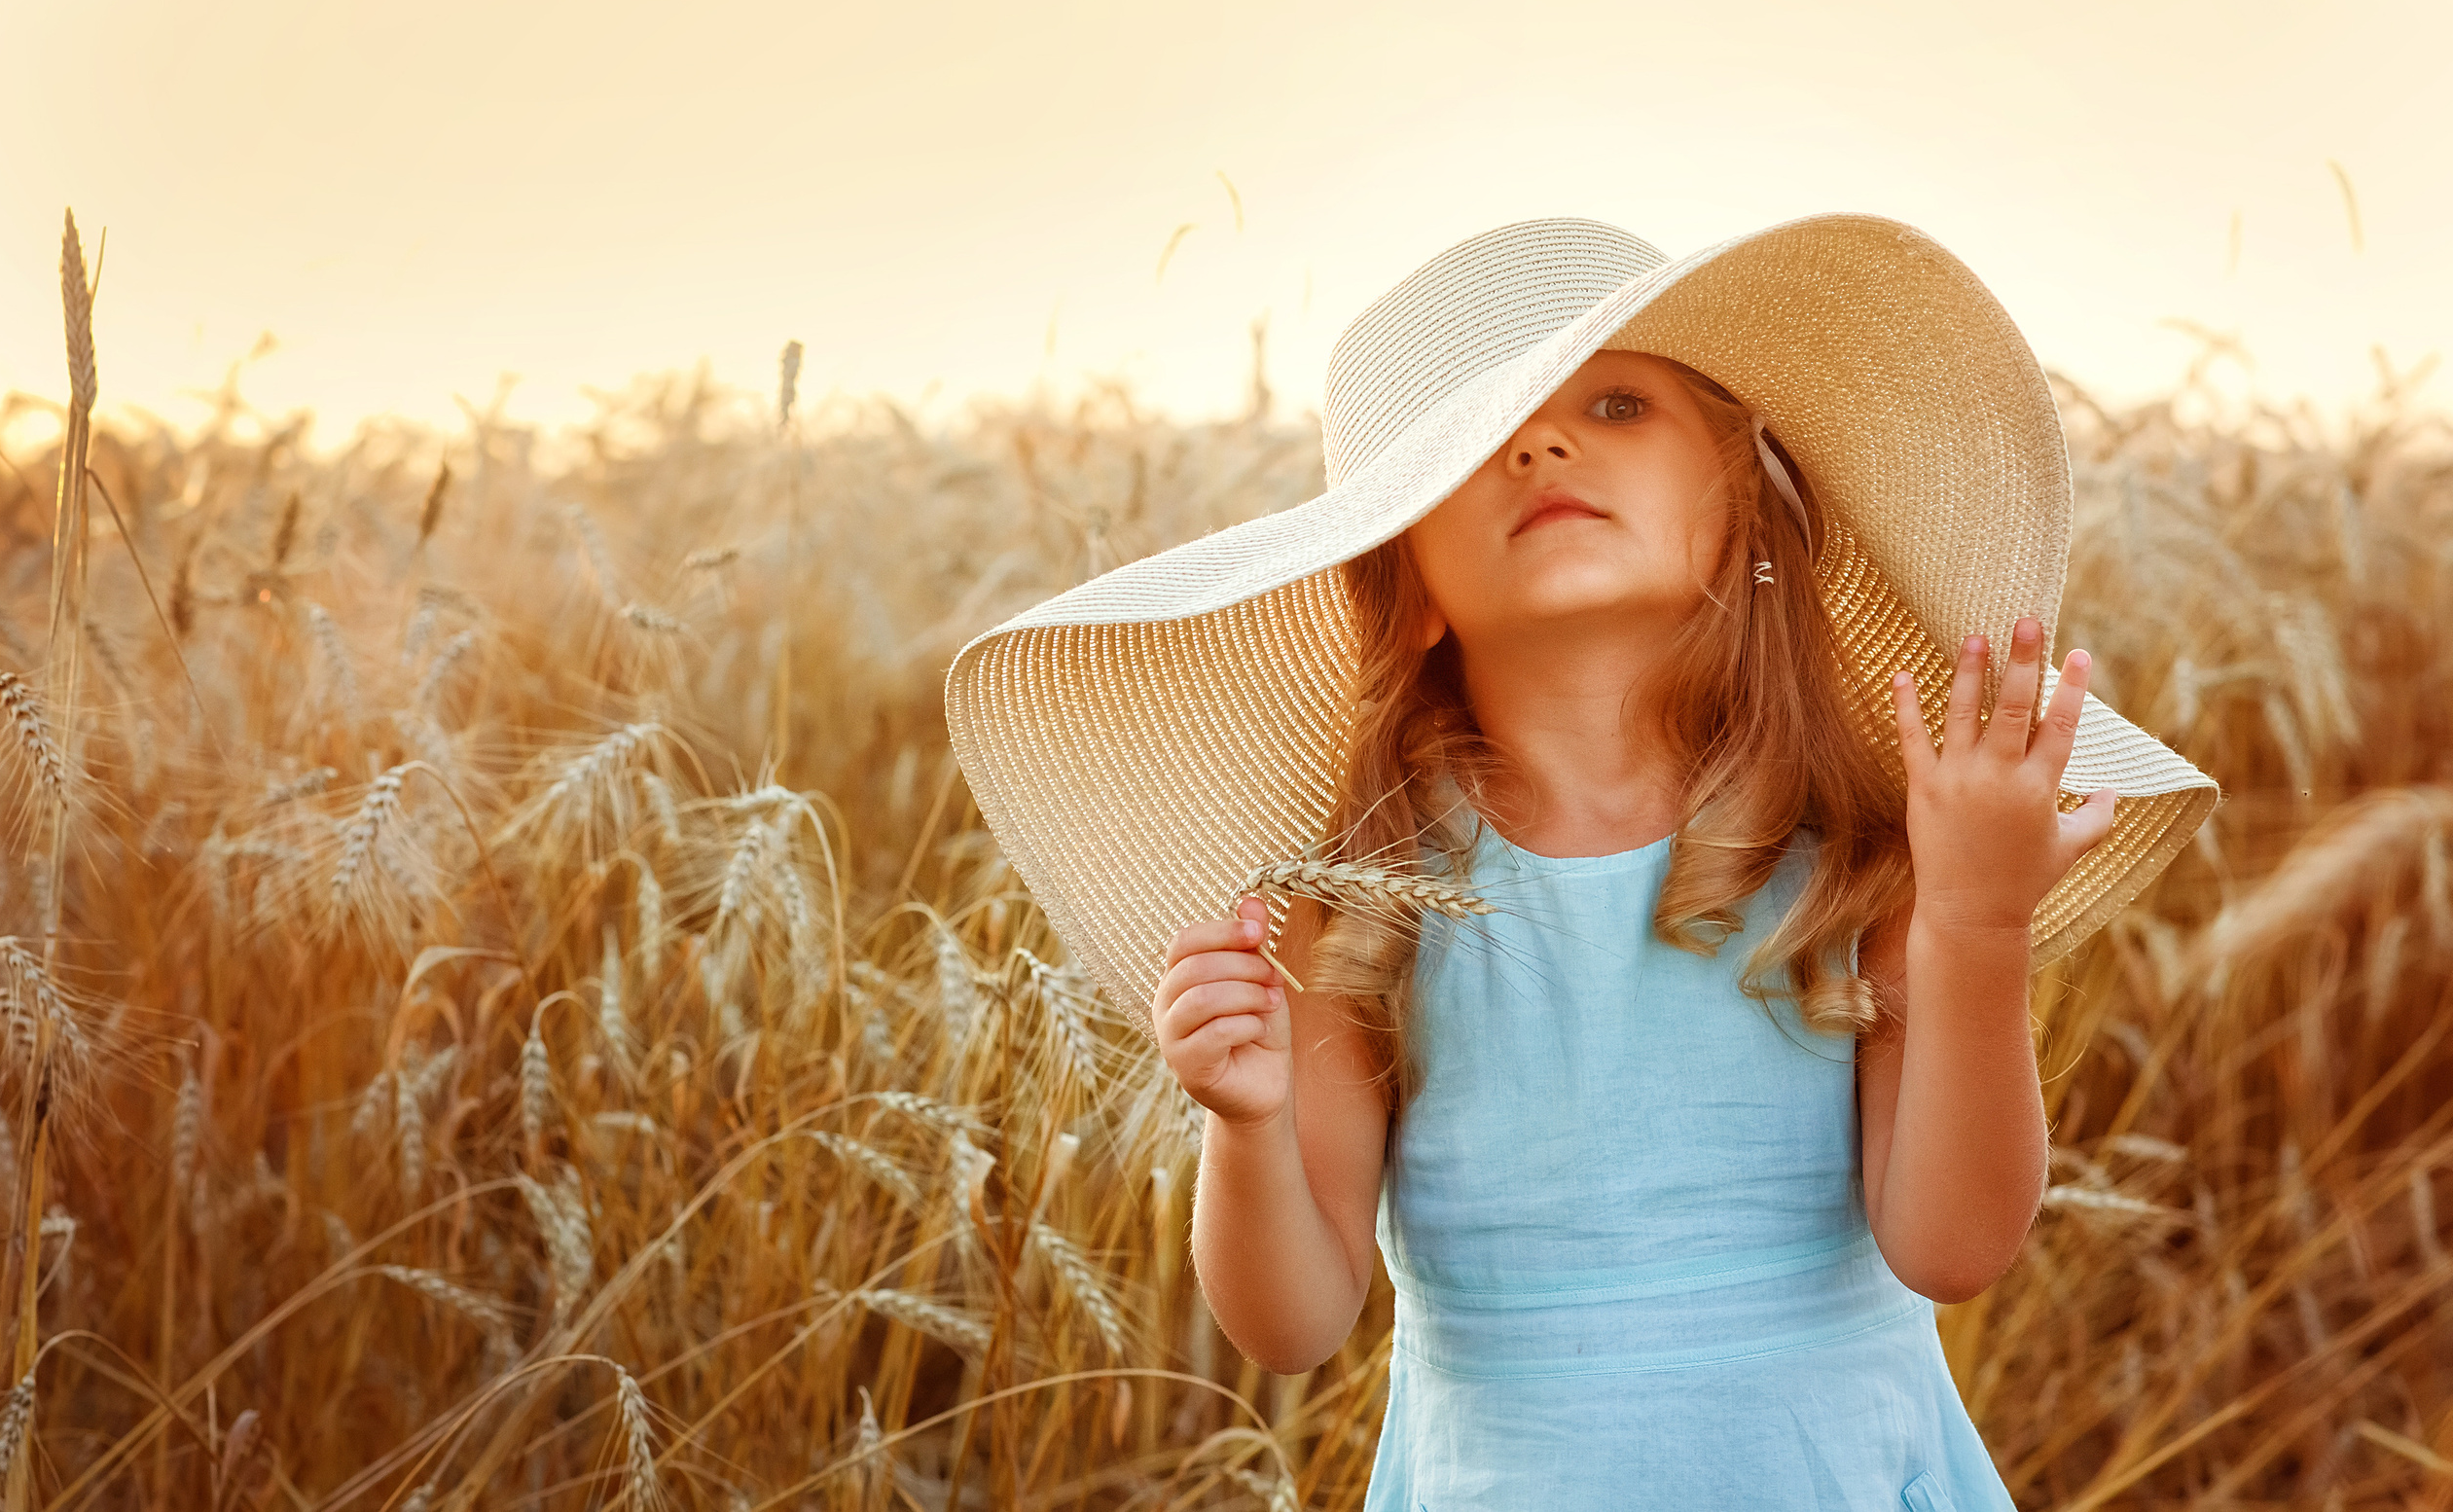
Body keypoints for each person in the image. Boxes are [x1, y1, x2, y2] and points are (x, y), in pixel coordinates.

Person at [945, 215, 2219, 1507]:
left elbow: (1953, 1246)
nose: (1545, 445)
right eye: (1472, 448)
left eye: (1617, 404)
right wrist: (1246, 1125)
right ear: (1412, 584)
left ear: (1742, 516)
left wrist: (1979, 926)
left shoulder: (1861, 871)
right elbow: (1294, 1325)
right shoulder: (1361, 916)